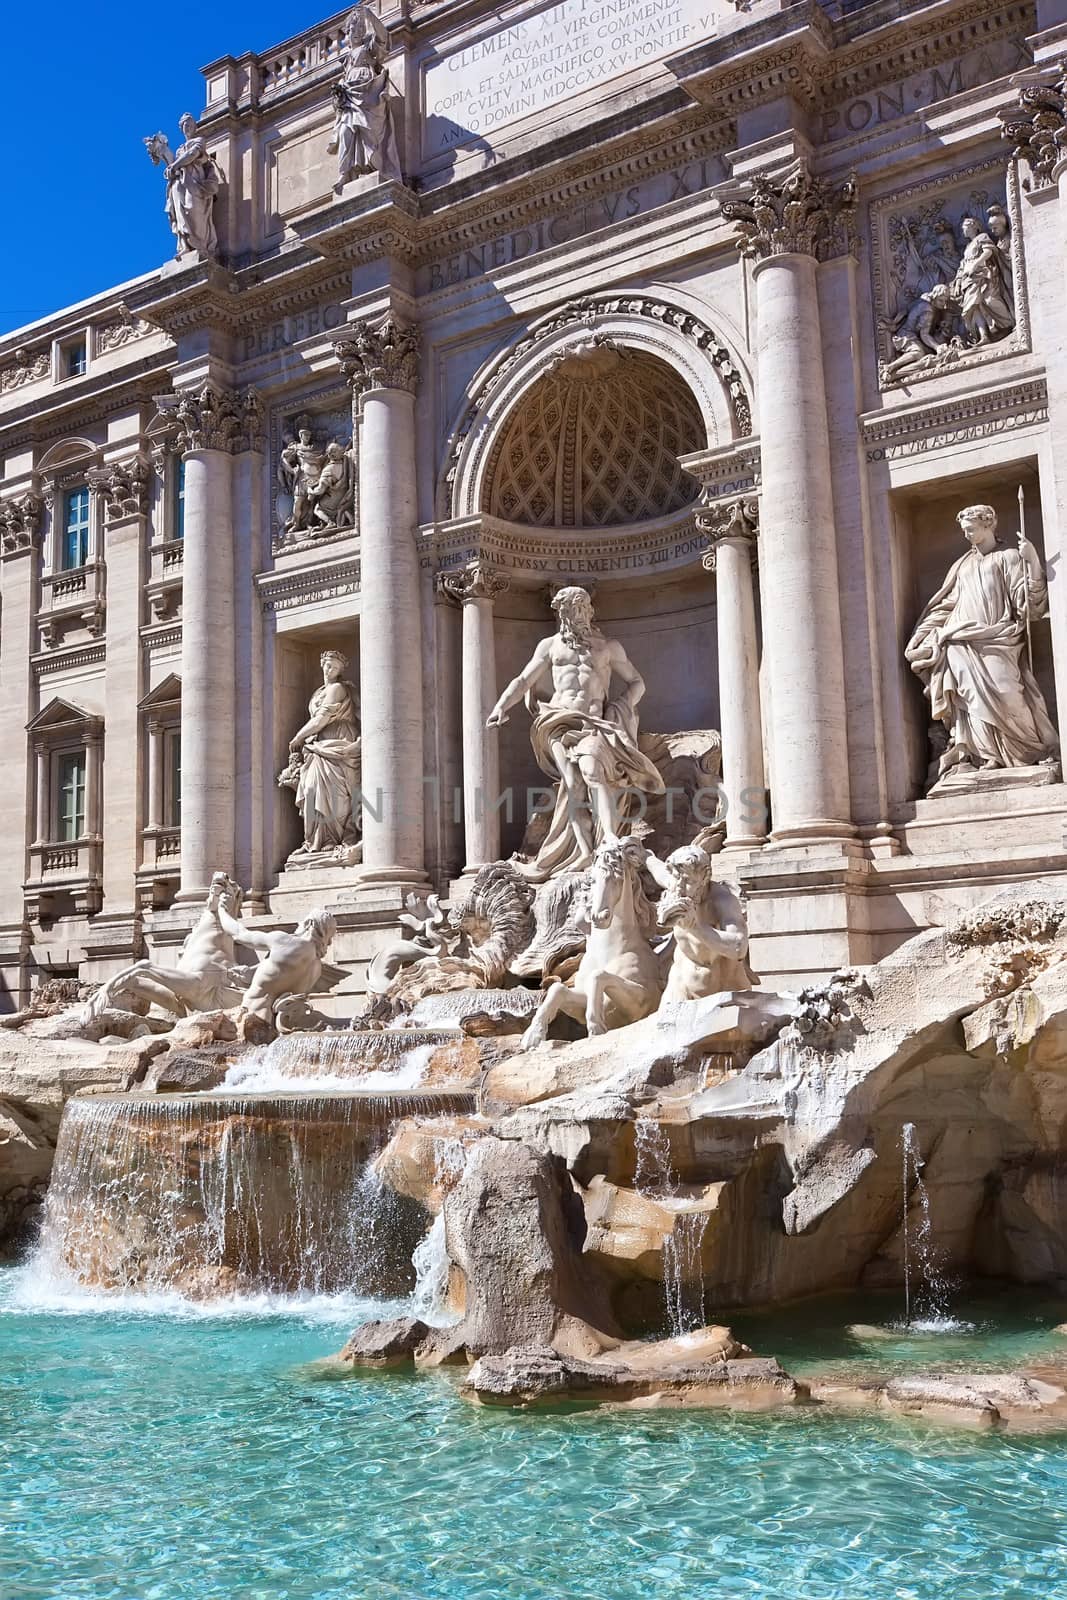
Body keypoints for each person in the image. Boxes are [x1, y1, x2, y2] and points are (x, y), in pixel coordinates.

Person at [486, 586, 665, 880]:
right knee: (573, 784)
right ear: (561, 613)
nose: (574, 616)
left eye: (580, 609)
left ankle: (607, 837)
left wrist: (618, 709)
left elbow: (637, 683)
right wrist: (501, 706)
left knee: (592, 770)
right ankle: (582, 851)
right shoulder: (550, 646)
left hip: (594, 723)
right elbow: (523, 679)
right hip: (557, 720)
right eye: (568, 610)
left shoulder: (608, 647)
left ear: (589, 611)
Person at [905, 504, 1058, 779]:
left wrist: (1033, 561)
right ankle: (984, 755)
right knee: (970, 698)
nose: (967, 535)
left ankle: (1027, 751)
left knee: (1008, 693)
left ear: (989, 525)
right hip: (959, 641)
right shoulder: (962, 565)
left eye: (971, 529)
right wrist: (924, 634)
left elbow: (1029, 606)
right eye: (964, 530)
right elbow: (946, 605)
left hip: (998, 638)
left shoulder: (1009, 558)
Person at [280, 650, 362, 857]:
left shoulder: (338, 688)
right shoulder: (318, 692)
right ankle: (314, 841)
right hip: (319, 745)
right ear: (321, 665)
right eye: (327, 665)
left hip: (339, 740)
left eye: (335, 667)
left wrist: (299, 737)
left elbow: (321, 719)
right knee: (310, 789)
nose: (330, 669)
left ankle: (332, 839)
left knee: (336, 795)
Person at [327, 9, 401, 189]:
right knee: (345, 133)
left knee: (368, 132)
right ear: (348, 31)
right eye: (355, 28)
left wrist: (371, 17)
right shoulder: (346, 60)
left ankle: (371, 167)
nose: (359, 31)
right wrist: (339, 94)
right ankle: (345, 173)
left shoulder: (368, 48)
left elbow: (383, 37)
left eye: (361, 28)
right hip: (349, 99)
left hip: (368, 95)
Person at [145, 114, 222, 258]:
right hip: (180, 184)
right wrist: (162, 151)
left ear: (194, 127)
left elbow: (193, 155)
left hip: (195, 184)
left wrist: (175, 165)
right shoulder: (180, 149)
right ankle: (185, 246)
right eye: (184, 126)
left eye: (190, 125)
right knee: (180, 215)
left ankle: (201, 245)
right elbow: (174, 163)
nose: (187, 128)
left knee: (194, 210)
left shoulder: (199, 141)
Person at [952, 217, 1015, 346]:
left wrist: (976, 263)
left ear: (973, 226)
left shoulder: (982, 237)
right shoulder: (968, 247)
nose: (963, 230)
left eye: (964, 227)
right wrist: (958, 282)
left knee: (990, 301)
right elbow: (962, 266)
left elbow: (989, 251)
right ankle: (984, 336)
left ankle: (1010, 323)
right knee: (974, 307)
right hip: (968, 280)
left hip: (984, 276)